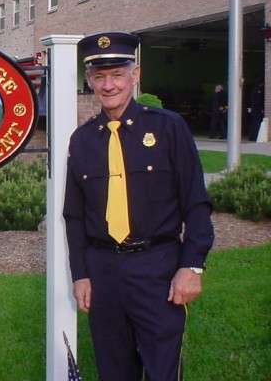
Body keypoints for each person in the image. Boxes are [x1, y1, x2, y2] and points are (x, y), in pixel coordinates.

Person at [63, 32, 214, 381]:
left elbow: (196, 201)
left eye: (117, 74)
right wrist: (81, 273)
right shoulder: (83, 140)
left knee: (162, 369)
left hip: (157, 267)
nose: (108, 85)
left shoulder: (167, 127)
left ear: (136, 75)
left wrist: (192, 265)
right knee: (114, 370)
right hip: (103, 271)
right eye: (99, 76)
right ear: (89, 81)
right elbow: (74, 215)